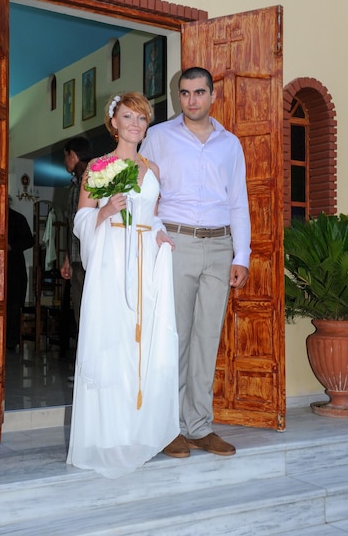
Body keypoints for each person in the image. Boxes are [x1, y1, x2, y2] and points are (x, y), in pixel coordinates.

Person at [66, 92, 179, 478]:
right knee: (113, 343)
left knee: (143, 344)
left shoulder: (153, 169)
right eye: (128, 116)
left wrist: (161, 235)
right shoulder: (98, 167)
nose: (135, 123)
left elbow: (154, 216)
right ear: (113, 122)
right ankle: (108, 435)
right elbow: (82, 220)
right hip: (113, 260)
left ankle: (139, 431)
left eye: (142, 118)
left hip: (146, 260)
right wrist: (107, 211)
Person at [140, 66, 251, 459]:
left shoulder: (230, 144)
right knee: (176, 339)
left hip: (219, 247)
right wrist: (153, 234)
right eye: (185, 94)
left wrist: (242, 255)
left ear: (212, 95)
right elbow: (143, 192)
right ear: (179, 97)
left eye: (199, 93)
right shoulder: (157, 137)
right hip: (176, 244)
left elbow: (238, 200)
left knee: (207, 338)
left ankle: (199, 426)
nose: (191, 100)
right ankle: (169, 427)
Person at [60, 137, 92, 335]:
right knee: (80, 311)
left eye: (65, 157)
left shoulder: (98, 178)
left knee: (93, 311)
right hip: (76, 259)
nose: (65, 162)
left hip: (93, 257)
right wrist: (67, 259)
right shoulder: (73, 185)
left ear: (73, 155)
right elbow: (73, 225)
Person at [6, 197, 34, 351]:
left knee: (13, 306)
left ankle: (11, 341)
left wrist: (11, 246)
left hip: (15, 270)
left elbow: (29, 240)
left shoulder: (17, 218)